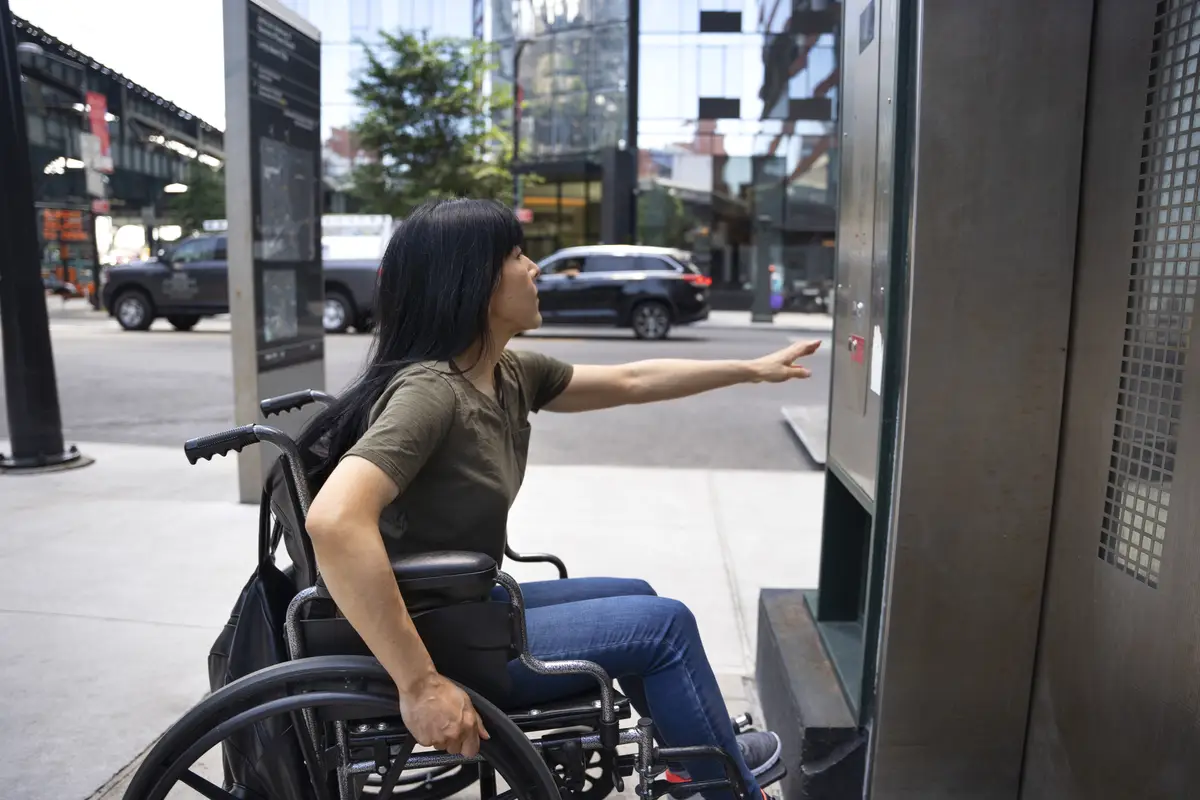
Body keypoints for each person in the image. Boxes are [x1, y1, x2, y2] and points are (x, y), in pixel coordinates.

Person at [301, 198, 821, 800]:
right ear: (474, 283)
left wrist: (751, 370)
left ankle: (691, 753)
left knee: (640, 597)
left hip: (464, 606)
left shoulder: (505, 373)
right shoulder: (431, 392)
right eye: (518, 256)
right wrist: (420, 684)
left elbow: (631, 381)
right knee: (666, 627)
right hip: (441, 636)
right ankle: (721, 784)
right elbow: (335, 521)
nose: (535, 268)